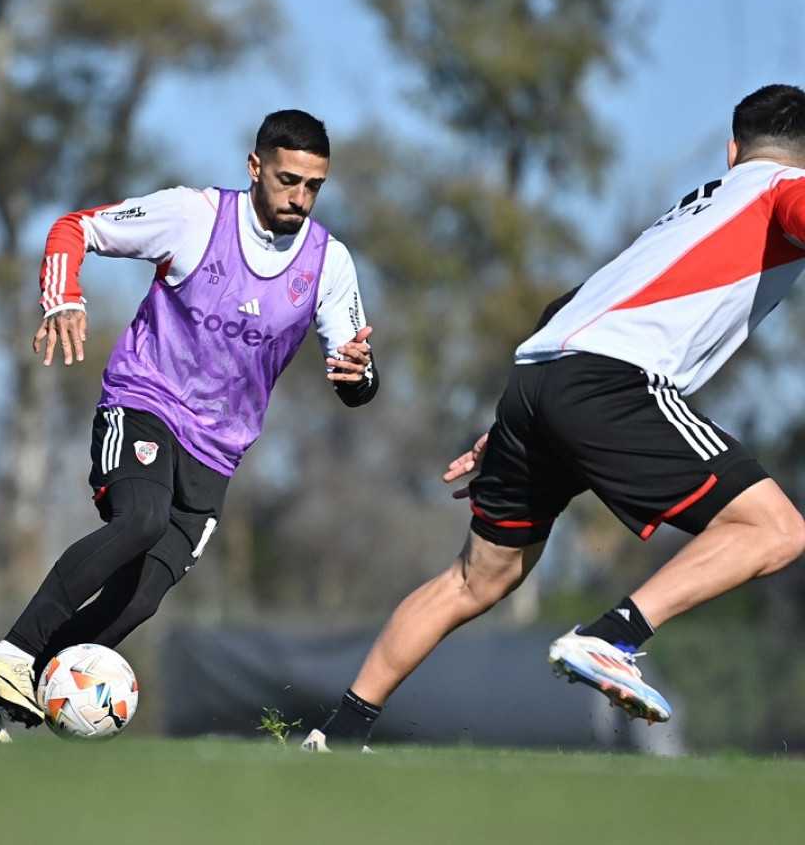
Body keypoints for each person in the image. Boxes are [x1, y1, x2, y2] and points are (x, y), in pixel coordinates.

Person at [302, 84, 805, 752]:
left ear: (732, 149)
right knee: (777, 529)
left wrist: (508, 423)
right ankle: (612, 637)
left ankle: (338, 732)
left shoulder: (691, 211)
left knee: (477, 577)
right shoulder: (781, 190)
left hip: (539, 374)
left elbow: (567, 308)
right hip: (610, 381)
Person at [0, 110, 379, 740]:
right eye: (288, 180)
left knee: (142, 597)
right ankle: (10, 655)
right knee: (140, 521)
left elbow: (357, 376)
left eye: (314, 186)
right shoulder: (193, 215)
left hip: (217, 451)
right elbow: (74, 229)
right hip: (144, 400)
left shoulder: (329, 262)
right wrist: (62, 296)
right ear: (254, 167)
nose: (300, 198)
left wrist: (358, 377)